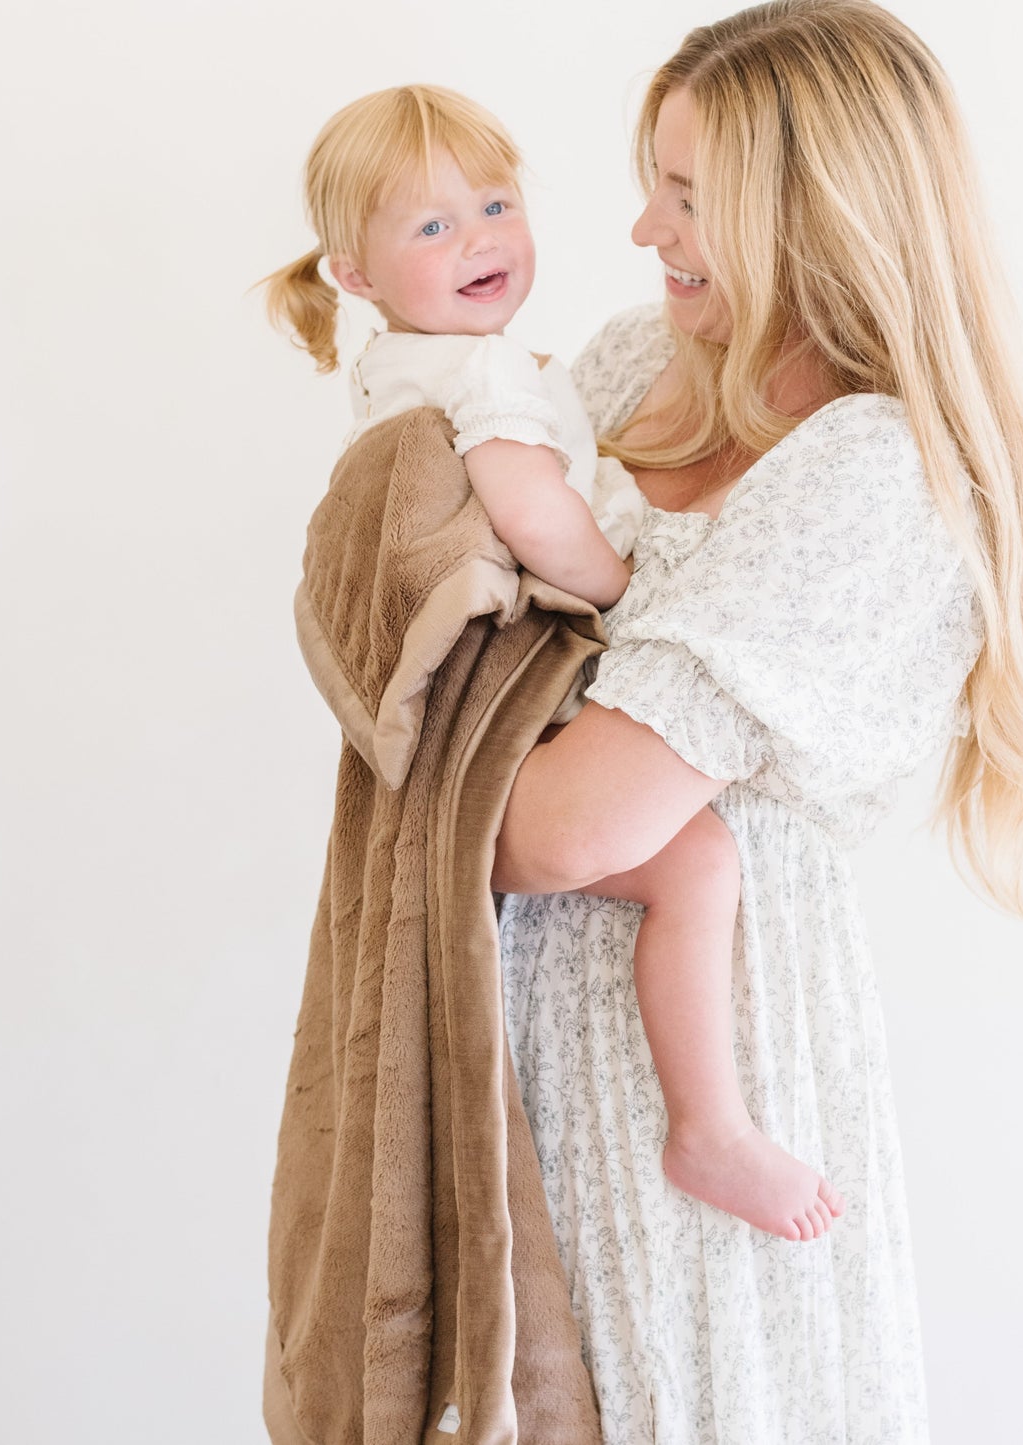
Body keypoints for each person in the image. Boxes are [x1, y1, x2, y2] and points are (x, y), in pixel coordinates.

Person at [487, 1, 1023, 1439]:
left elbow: (571, 825)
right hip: (519, 1013)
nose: (645, 225)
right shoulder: (627, 363)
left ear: (810, 212)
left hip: (712, 1049)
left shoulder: (877, 468)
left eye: (691, 194)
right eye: (654, 177)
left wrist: (442, 788)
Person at [257, 83, 847, 1243]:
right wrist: (628, 595)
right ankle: (710, 1124)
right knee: (697, 863)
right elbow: (533, 517)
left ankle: (707, 1123)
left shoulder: (401, 365)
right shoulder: (484, 376)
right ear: (356, 275)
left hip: (490, 717)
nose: (477, 239)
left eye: (492, 204)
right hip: (535, 689)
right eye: (430, 227)